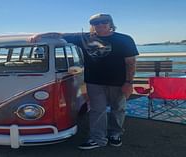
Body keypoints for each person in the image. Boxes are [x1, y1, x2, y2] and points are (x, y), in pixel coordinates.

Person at [29, 13, 139, 150]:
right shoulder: (84, 38)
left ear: (111, 23)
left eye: (103, 22)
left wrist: (129, 83)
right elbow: (60, 34)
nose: (100, 25)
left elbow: (130, 62)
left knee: (118, 109)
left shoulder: (124, 39)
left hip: (119, 82)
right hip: (94, 82)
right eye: (95, 23)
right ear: (92, 25)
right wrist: (40, 35)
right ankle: (98, 139)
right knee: (97, 111)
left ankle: (115, 134)